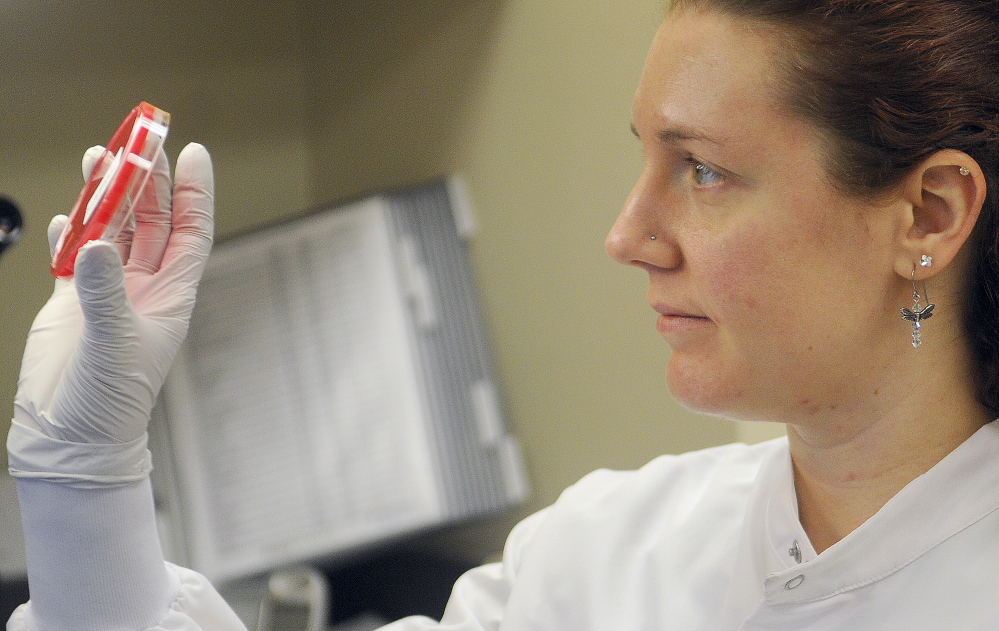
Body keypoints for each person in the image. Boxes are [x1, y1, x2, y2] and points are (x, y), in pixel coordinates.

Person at [9, 0, 999, 628]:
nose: (628, 233)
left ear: (929, 213)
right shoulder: (606, 555)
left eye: (702, 170)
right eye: (643, 158)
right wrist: (80, 477)